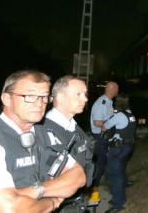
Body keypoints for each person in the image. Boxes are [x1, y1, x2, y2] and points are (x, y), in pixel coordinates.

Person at [0, 70, 86, 212]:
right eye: (30, 96)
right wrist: (52, 202)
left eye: (43, 96)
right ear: (6, 99)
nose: (39, 103)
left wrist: (37, 190)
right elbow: (10, 209)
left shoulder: (44, 135)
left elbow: (78, 176)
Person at [42, 75, 96, 211]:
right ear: (59, 98)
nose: (85, 99)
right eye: (78, 94)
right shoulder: (43, 132)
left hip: (77, 203)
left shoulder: (74, 127)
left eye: (85, 94)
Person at [102, 94, 137, 213]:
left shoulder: (119, 116)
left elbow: (104, 127)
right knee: (120, 172)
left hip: (118, 148)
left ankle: (118, 204)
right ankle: (120, 198)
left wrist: (109, 117)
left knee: (114, 176)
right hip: (128, 147)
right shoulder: (130, 114)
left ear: (118, 103)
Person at [89, 81, 117, 187]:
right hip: (100, 138)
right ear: (112, 90)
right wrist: (109, 126)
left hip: (105, 137)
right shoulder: (102, 104)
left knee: (106, 160)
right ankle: (94, 185)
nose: (118, 91)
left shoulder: (108, 102)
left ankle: (105, 180)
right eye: (117, 89)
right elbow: (97, 122)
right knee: (100, 162)